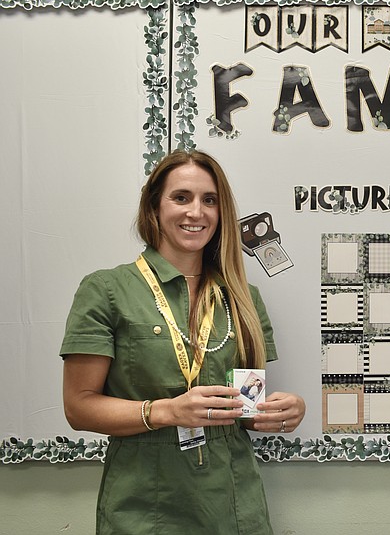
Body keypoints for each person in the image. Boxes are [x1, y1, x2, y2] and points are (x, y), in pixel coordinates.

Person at [61, 150, 306, 534]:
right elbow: (79, 408)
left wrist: (279, 412)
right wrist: (168, 411)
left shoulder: (243, 296)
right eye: (181, 198)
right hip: (144, 506)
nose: (197, 212)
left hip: (236, 505)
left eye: (210, 200)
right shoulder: (106, 290)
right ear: (154, 208)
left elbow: (246, 404)